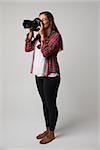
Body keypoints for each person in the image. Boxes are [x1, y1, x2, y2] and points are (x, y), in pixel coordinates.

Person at [24, 11, 63, 144]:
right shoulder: (40, 35)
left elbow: (46, 52)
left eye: (44, 20)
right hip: (39, 75)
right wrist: (31, 33)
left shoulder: (55, 36)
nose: (41, 23)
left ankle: (52, 132)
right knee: (44, 103)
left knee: (50, 104)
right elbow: (28, 48)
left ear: (50, 21)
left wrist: (41, 36)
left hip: (51, 76)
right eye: (39, 20)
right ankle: (47, 128)